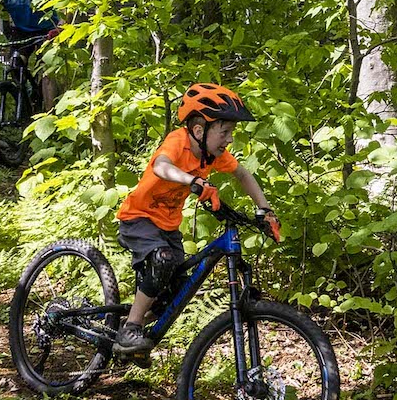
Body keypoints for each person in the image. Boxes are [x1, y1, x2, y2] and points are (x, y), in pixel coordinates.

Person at [111, 84, 278, 356]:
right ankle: (131, 327)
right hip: (138, 219)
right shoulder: (179, 141)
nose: (229, 139)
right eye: (224, 132)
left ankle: (130, 334)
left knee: (177, 293)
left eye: (231, 133)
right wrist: (193, 181)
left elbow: (243, 175)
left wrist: (265, 209)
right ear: (199, 131)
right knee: (163, 260)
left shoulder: (213, 155)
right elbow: (161, 166)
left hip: (168, 228)